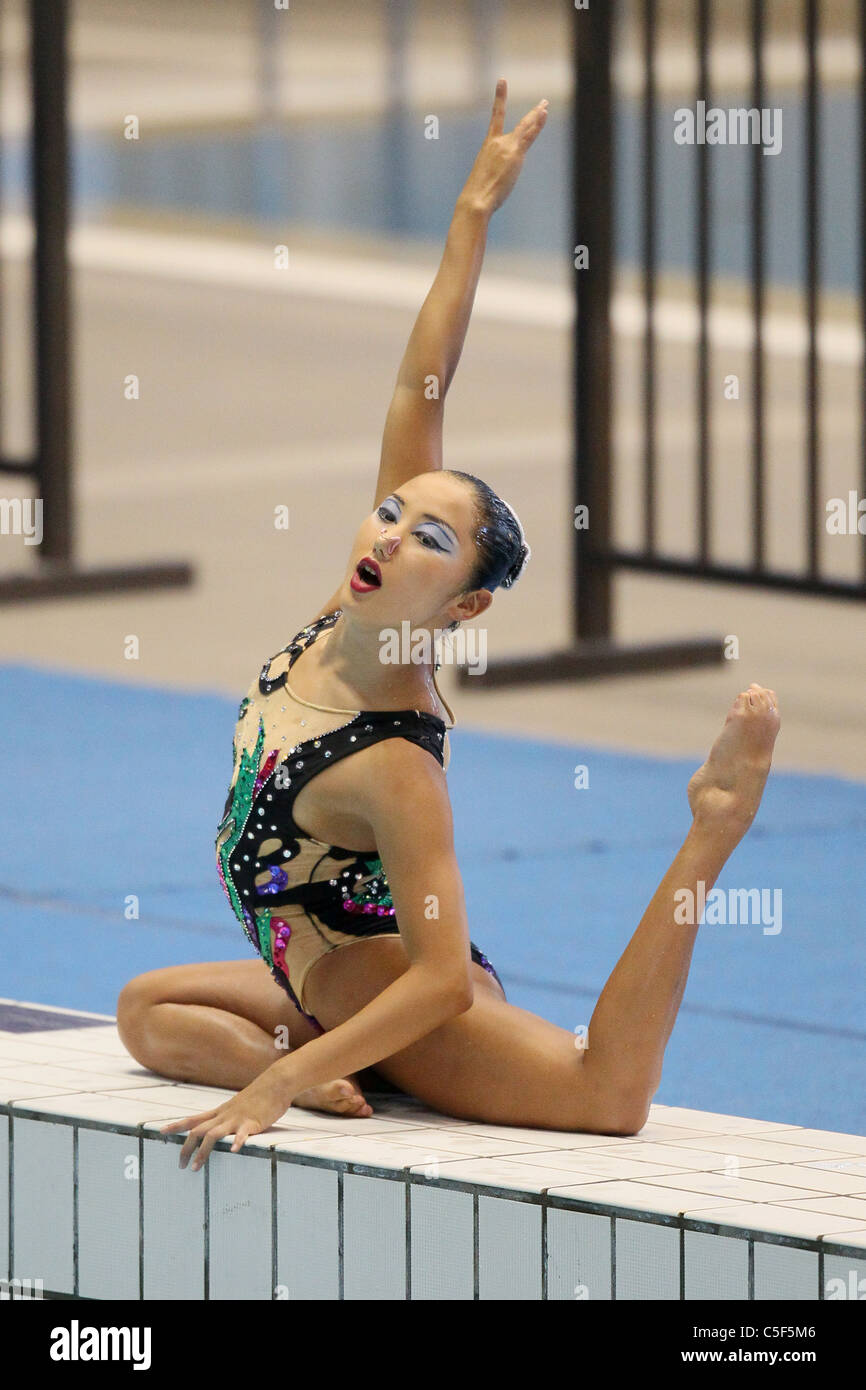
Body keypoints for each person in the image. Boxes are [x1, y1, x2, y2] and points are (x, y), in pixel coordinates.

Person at [116, 79, 780, 1172]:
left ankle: (710, 825)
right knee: (147, 1010)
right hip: (304, 967)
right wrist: (470, 214)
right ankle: (339, 1064)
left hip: (395, 989)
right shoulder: (356, 595)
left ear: (462, 605)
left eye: (429, 537)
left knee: (603, 1093)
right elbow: (419, 387)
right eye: (390, 511)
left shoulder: (393, 762)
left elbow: (431, 975)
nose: (388, 531)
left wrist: (276, 1082)